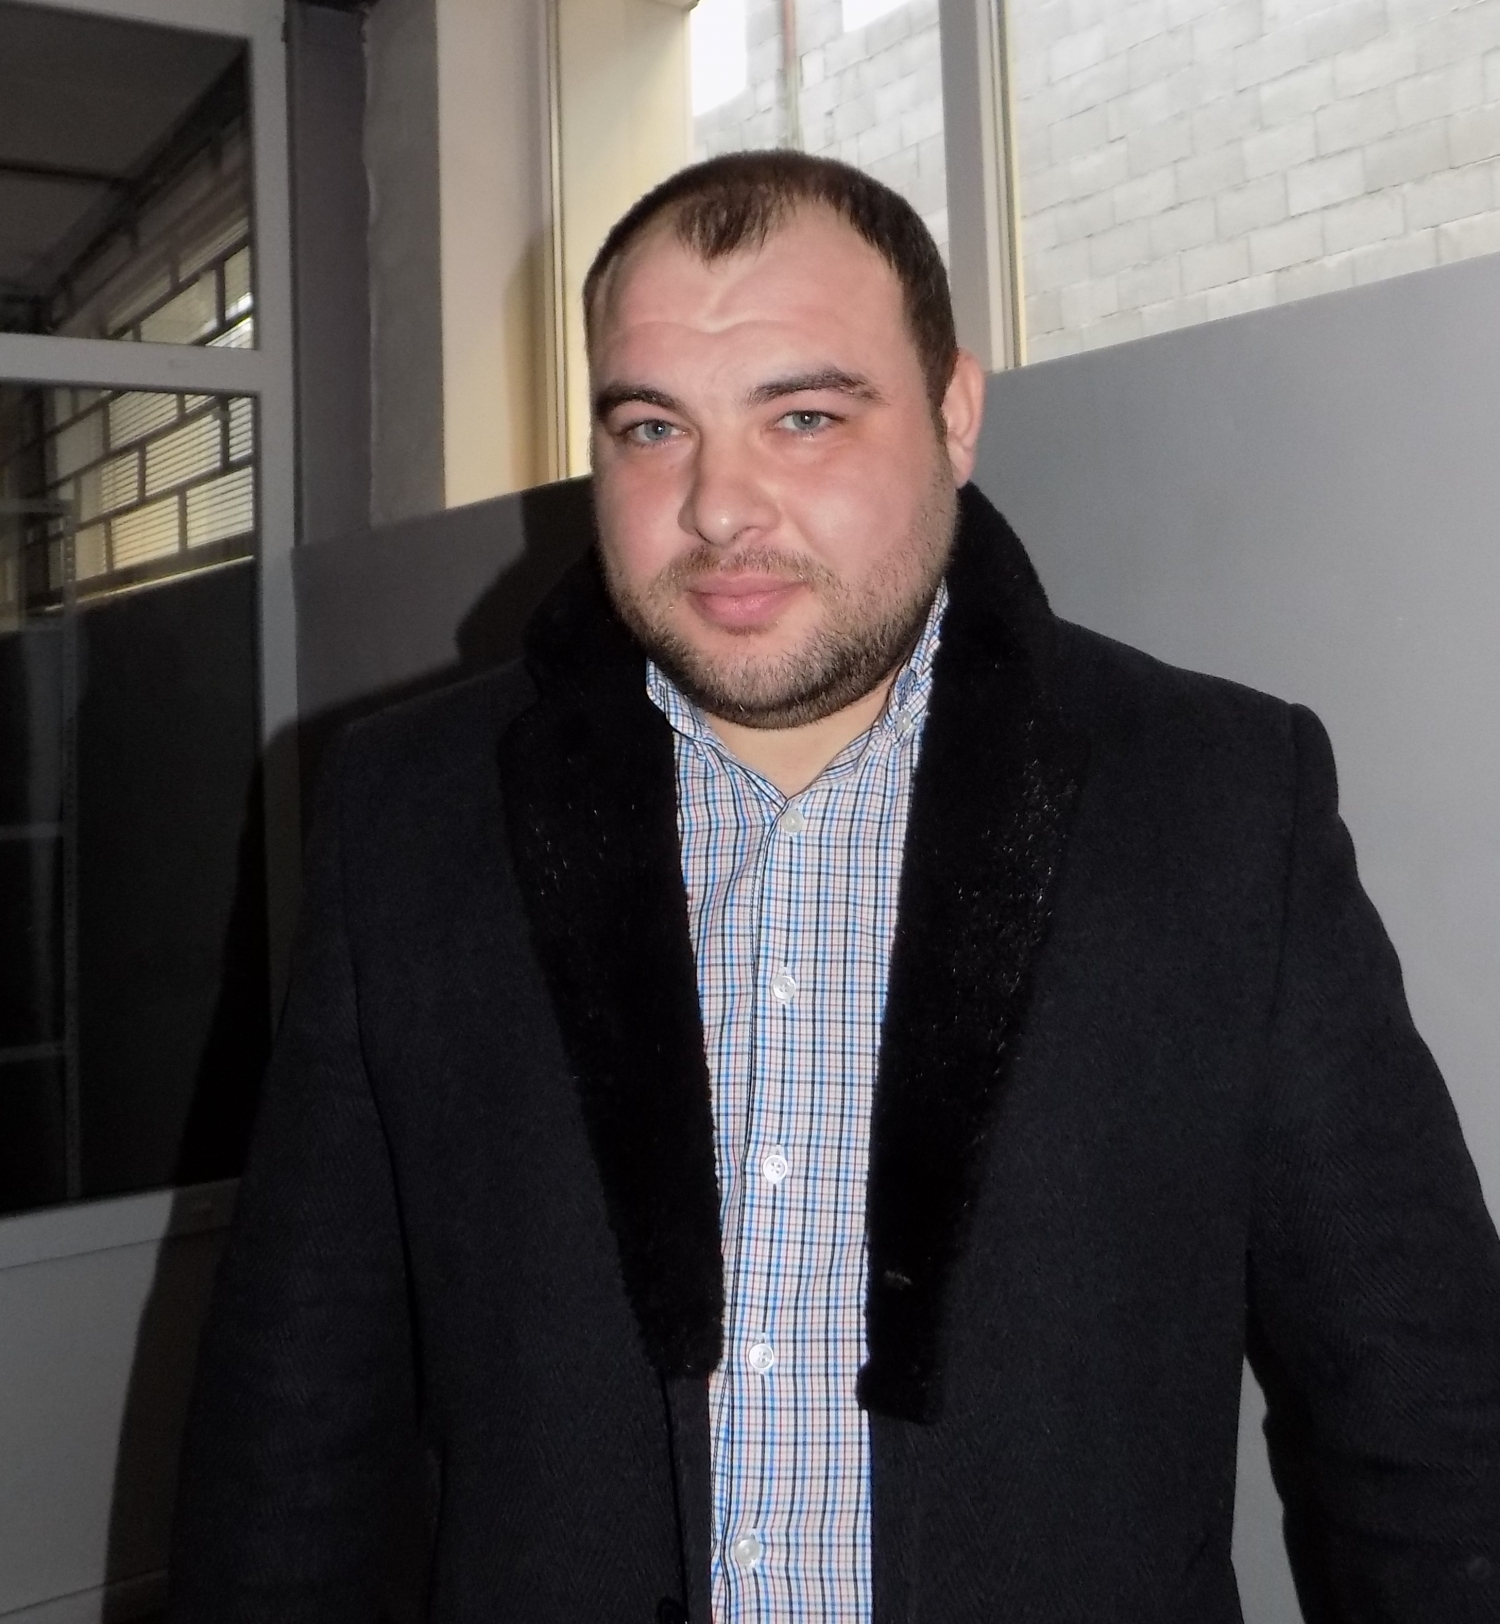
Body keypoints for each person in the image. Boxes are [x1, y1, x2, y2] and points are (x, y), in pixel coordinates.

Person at [170, 152, 1500, 1623]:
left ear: (954, 414)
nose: (717, 507)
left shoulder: (1218, 800)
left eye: (802, 416)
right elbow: (295, 1434)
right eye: (652, 426)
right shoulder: (412, 816)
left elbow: (1421, 1418)